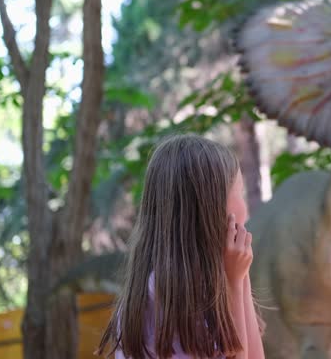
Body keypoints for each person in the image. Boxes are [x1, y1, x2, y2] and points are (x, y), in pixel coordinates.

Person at [97, 134, 264, 358]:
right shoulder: (166, 296)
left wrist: (240, 278)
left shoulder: (212, 282)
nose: (246, 207)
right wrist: (234, 283)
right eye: (239, 193)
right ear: (209, 207)